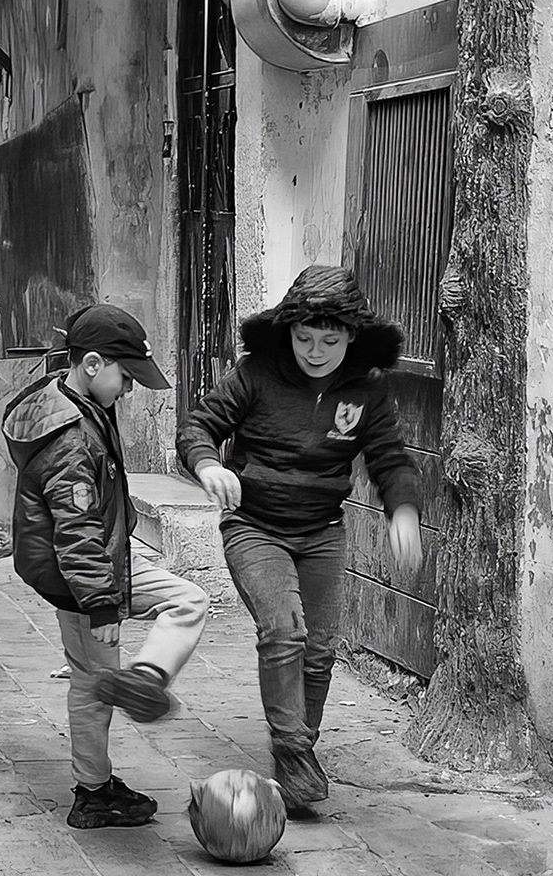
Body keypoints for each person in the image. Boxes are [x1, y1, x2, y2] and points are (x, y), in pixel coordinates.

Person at [176, 264, 423, 813]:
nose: (315, 351)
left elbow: (389, 459)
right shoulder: (255, 373)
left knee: (319, 650)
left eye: (330, 341)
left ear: (352, 336)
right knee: (283, 632)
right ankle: (291, 752)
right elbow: (199, 426)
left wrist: (403, 511)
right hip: (254, 525)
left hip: (322, 530)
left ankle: (298, 755)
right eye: (304, 337)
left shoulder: (367, 389)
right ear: (287, 330)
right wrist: (207, 464)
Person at [4, 305, 209, 829]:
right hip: (83, 573)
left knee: (91, 678)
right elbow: (75, 528)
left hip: (83, 565)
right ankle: (97, 786)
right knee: (184, 604)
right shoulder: (70, 439)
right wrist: (100, 603)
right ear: (92, 364)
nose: (131, 389)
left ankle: (97, 778)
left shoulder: (72, 397)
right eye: (127, 376)